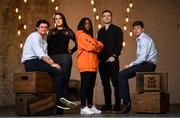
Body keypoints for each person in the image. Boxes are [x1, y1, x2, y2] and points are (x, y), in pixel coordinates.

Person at [21, 19, 77, 114]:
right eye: (42, 27)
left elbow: (46, 55)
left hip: (38, 62)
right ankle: (59, 100)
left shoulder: (44, 41)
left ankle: (59, 100)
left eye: (46, 27)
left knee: (58, 71)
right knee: (58, 71)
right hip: (31, 62)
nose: (44, 29)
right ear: (37, 28)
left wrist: (53, 62)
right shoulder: (34, 36)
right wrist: (52, 64)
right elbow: (41, 54)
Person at [118, 21, 157, 113]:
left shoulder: (144, 39)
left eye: (138, 28)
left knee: (121, 75)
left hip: (148, 65)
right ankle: (126, 102)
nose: (136, 30)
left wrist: (130, 65)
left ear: (142, 29)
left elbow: (143, 58)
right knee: (122, 75)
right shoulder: (140, 39)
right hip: (145, 64)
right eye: (134, 28)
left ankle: (126, 103)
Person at [76, 17, 103, 115]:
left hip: (93, 64)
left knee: (91, 86)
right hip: (85, 63)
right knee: (85, 85)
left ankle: (90, 106)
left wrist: (95, 44)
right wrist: (96, 44)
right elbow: (92, 46)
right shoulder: (81, 35)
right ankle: (83, 107)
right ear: (81, 25)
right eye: (85, 23)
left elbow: (101, 46)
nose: (87, 25)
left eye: (89, 24)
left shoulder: (90, 37)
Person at [97, 10, 123, 111]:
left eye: (108, 16)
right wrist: (98, 58)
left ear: (111, 17)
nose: (106, 17)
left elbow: (119, 44)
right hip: (102, 62)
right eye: (104, 16)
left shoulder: (117, 30)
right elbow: (98, 46)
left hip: (113, 60)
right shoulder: (100, 31)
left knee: (115, 82)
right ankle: (107, 104)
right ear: (102, 18)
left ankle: (117, 105)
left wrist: (114, 56)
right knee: (105, 84)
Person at [47, 12, 77, 98]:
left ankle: (62, 107)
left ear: (63, 19)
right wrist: (48, 59)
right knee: (54, 81)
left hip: (65, 58)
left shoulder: (68, 31)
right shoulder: (51, 32)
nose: (58, 20)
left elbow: (78, 43)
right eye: (56, 19)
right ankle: (56, 103)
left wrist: (72, 50)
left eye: (60, 18)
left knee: (64, 81)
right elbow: (48, 46)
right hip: (53, 58)